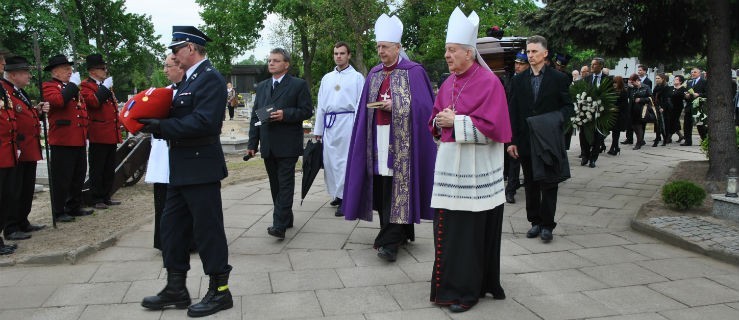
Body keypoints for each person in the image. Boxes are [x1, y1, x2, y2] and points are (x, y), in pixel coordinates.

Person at [139, 26, 233, 318]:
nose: (172, 55)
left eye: (176, 49)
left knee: (208, 231)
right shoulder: (189, 80)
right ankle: (176, 287)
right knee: (171, 230)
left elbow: (204, 122)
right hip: (181, 168)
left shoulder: (210, 79)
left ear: (191, 48)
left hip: (201, 167)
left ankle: (220, 291)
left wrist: (161, 127)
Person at [428, 7, 511, 313]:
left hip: (476, 171)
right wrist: (439, 122)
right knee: (446, 228)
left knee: (467, 233)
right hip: (450, 166)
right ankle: (447, 286)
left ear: (469, 52)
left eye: (451, 51)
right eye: (447, 50)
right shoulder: (448, 82)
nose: (447, 56)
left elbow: (495, 129)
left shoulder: (489, 83)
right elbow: (435, 118)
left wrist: (457, 122)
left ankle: (466, 291)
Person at [343, 13, 437, 262]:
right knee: (384, 185)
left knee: (399, 184)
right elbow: (365, 109)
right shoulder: (373, 73)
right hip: (378, 138)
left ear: (398, 47)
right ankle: (399, 231)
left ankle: (390, 241)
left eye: (385, 47)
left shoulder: (414, 72)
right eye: (378, 47)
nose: (381, 51)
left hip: (403, 140)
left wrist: (398, 106)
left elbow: (425, 108)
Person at [507, 35, 573, 243]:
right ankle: (534, 221)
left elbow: (568, 107)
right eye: (528, 52)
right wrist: (512, 141)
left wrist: (554, 120)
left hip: (548, 140)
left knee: (549, 183)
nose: (530, 55)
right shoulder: (518, 80)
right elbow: (513, 111)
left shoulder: (559, 78)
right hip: (526, 140)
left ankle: (547, 225)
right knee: (531, 183)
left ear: (545, 53)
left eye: (534, 51)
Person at [246, 48, 313, 239]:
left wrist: (286, 114)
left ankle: (279, 225)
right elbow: (255, 117)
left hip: (287, 144)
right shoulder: (263, 86)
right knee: (275, 185)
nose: (271, 63)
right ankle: (287, 217)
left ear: (286, 64)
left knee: (285, 184)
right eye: (269, 60)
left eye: (275, 60)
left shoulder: (298, 85)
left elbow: (307, 110)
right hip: (268, 145)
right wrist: (253, 143)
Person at [313, 41, 364, 216]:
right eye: (336, 53)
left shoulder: (357, 77)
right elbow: (320, 104)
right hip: (330, 124)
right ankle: (337, 193)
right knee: (330, 161)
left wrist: (358, 126)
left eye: (342, 53)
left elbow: (360, 103)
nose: (338, 56)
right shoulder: (327, 78)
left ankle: (346, 197)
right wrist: (318, 130)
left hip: (347, 121)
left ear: (348, 55)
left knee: (344, 161)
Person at [1, 56, 49, 241]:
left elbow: (23, 115)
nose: (29, 76)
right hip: (15, 148)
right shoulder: (5, 91)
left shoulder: (18, 92)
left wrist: (36, 111)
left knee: (26, 188)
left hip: (28, 147)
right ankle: (11, 226)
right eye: (24, 73)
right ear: (13, 75)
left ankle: (22, 220)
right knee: (14, 190)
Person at [42, 54, 93, 223]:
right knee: (62, 178)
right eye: (66, 69)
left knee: (78, 175)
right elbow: (58, 101)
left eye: (70, 69)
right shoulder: (50, 86)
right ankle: (59, 209)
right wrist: (71, 86)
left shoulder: (72, 88)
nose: (70, 72)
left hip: (77, 137)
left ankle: (74, 205)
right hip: (63, 139)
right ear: (55, 71)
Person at [145, 53, 182, 251]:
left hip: (181, 153)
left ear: (180, 67)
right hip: (161, 153)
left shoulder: (189, 91)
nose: (165, 70)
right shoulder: (162, 92)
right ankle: (164, 241)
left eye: (168, 66)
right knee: (162, 200)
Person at [80, 54, 121, 209]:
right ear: (92, 71)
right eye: (102, 68)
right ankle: (97, 197)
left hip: (110, 132)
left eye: (105, 68)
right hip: (98, 133)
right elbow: (93, 102)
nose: (105, 71)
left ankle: (106, 195)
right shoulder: (85, 86)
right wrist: (104, 89)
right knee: (98, 168)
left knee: (109, 168)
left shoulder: (104, 85)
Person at [0, 51, 19, 255]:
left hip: (7, 150)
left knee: (6, 196)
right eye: (2, 63)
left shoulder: (2, 89)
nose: (4, 66)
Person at [504, 50, 529, 204]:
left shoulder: (529, 80)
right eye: (516, 63)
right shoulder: (510, 79)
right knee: (514, 160)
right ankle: (510, 190)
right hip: (514, 125)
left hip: (529, 125)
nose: (518, 66)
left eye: (521, 64)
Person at [579, 57, 611, 168]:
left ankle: (593, 158)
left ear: (601, 66)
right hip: (586, 111)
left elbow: (611, 96)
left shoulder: (607, 79)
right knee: (583, 135)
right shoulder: (587, 79)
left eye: (595, 64)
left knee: (598, 137)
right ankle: (585, 156)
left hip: (600, 113)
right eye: (591, 64)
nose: (592, 66)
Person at [683, 67, 707, 145]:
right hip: (689, 105)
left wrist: (699, 94)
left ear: (699, 73)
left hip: (699, 106)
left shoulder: (704, 82)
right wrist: (686, 96)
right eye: (692, 72)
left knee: (700, 124)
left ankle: (704, 140)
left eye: (695, 72)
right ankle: (688, 141)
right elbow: (686, 93)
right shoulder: (689, 82)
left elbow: (707, 93)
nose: (693, 74)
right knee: (687, 124)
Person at [628, 74, 652, 150]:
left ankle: (639, 143)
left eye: (633, 82)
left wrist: (641, 99)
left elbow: (651, 97)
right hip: (633, 109)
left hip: (642, 109)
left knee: (639, 126)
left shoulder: (646, 87)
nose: (632, 84)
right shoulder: (633, 88)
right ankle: (640, 140)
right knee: (634, 126)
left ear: (637, 80)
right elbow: (630, 97)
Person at [608, 75, 629, 155]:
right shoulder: (612, 91)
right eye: (613, 83)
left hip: (620, 115)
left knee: (616, 132)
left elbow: (624, 105)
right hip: (613, 114)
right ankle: (615, 147)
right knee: (614, 132)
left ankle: (614, 147)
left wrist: (615, 108)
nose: (614, 84)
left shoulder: (623, 92)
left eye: (616, 83)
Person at [651, 73, 673, 146]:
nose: (657, 80)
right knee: (658, 124)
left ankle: (666, 139)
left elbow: (667, 99)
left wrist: (663, 107)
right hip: (657, 107)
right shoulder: (656, 87)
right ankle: (657, 139)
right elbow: (653, 97)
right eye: (656, 78)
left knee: (664, 124)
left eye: (658, 78)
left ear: (663, 79)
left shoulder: (667, 88)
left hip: (665, 108)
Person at [669, 75, 687, 143]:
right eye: (674, 79)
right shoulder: (670, 88)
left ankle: (669, 136)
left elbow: (684, 97)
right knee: (674, 121)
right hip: (670, 107)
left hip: (677, 107)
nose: (674, 80)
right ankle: (680, 135)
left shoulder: (683, 89)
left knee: (674, 120)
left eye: (676, 79)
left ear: (680, 81)